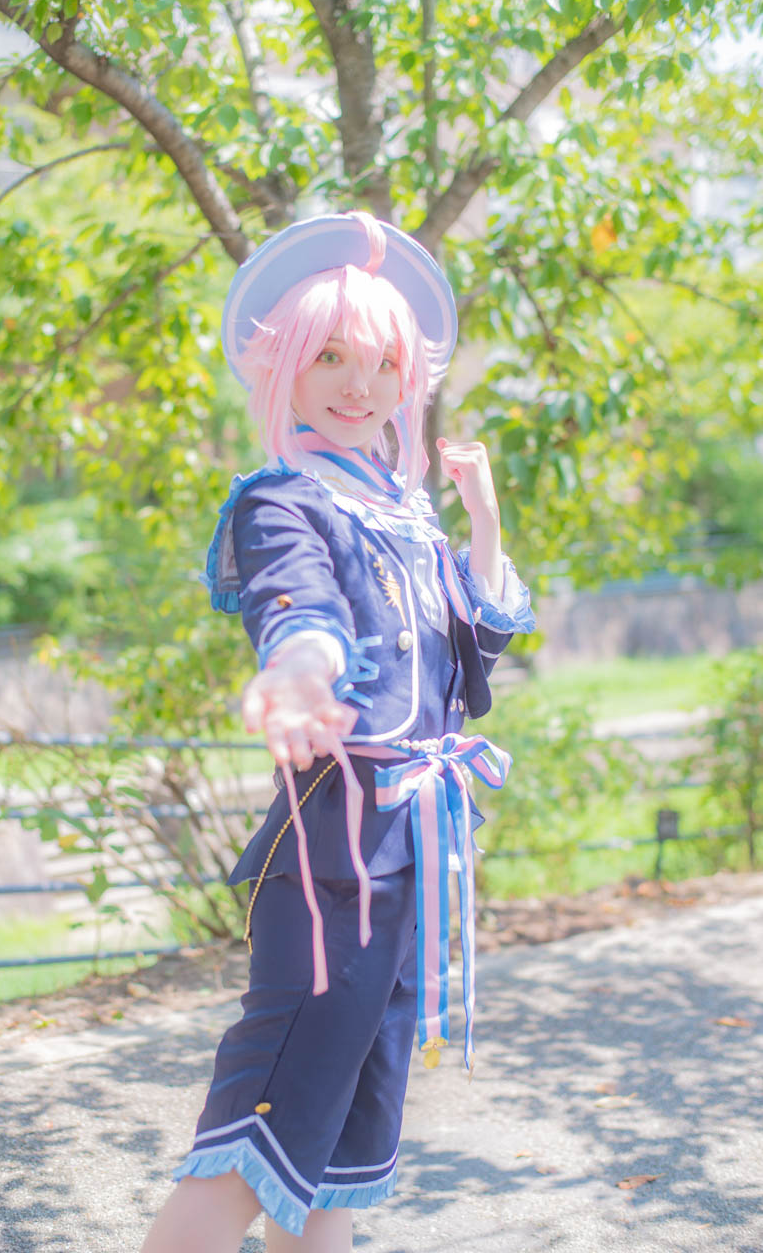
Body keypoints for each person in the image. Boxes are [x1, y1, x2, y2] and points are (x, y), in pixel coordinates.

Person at [140, 211, 535, 1253]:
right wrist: (301, 672)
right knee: (258, 1136)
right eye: (329, 356)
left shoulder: (408, 513)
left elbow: (470, 657)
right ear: (283, 362)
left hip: (414, 860)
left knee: (341, 1156)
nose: (359, 384)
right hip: (333, 862)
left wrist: (483, 520)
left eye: (382, 362)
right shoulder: (283, 500)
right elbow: (297, 606)